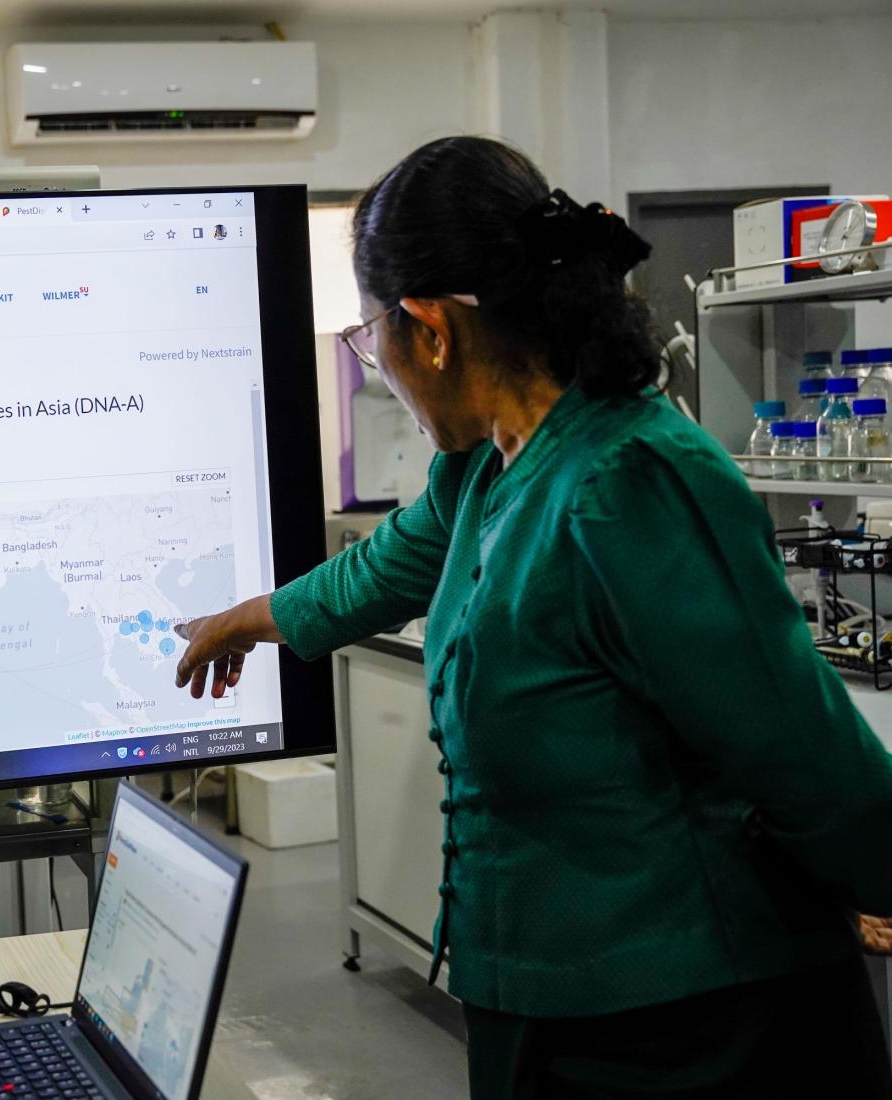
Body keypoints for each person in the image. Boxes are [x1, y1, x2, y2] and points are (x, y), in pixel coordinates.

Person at [173, 136, 892, 1097]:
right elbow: (384, 566)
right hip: (541, 994)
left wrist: (871, 877)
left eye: (368, 336)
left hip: (692, 1023)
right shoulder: (490, 464)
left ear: (429, 329)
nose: (374, 363)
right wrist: (247, 620)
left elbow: (800, 748)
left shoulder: (630, 483)